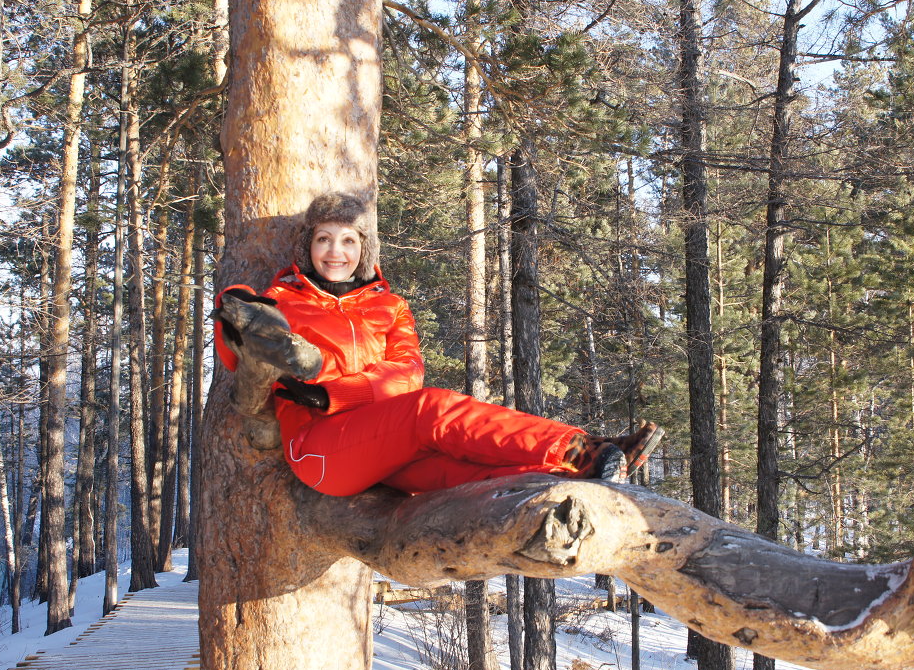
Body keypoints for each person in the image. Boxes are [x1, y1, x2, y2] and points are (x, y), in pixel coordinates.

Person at [212, 192, 663, 497]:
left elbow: (407, 374)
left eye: (348, 240)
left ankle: (581, 479)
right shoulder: (282, 301)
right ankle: (582, 448)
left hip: (386, 442)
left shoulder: (389, 306)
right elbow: (236, 353)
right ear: (306, 245)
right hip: (320, 450)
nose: (335, 251)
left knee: (469, 473)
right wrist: (232, 302)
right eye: (323, 239)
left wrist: (331, 391)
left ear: (363, 248)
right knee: (431, 410)